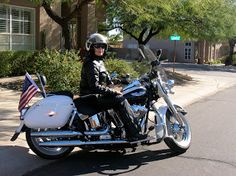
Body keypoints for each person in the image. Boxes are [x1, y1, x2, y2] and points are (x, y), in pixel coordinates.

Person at [79, 33, 147, 141]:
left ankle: (121, 128)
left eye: (102, 46)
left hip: (95, 95)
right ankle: (133, 133)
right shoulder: (91, 63)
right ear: (91, 47)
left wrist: (122, 80)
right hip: (90, 97)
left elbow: (107, 79)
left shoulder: (99, 61)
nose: (100, 49)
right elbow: (94, 86)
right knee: (120, 100)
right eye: (97, 46)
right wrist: (113, 92)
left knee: (123, 95)